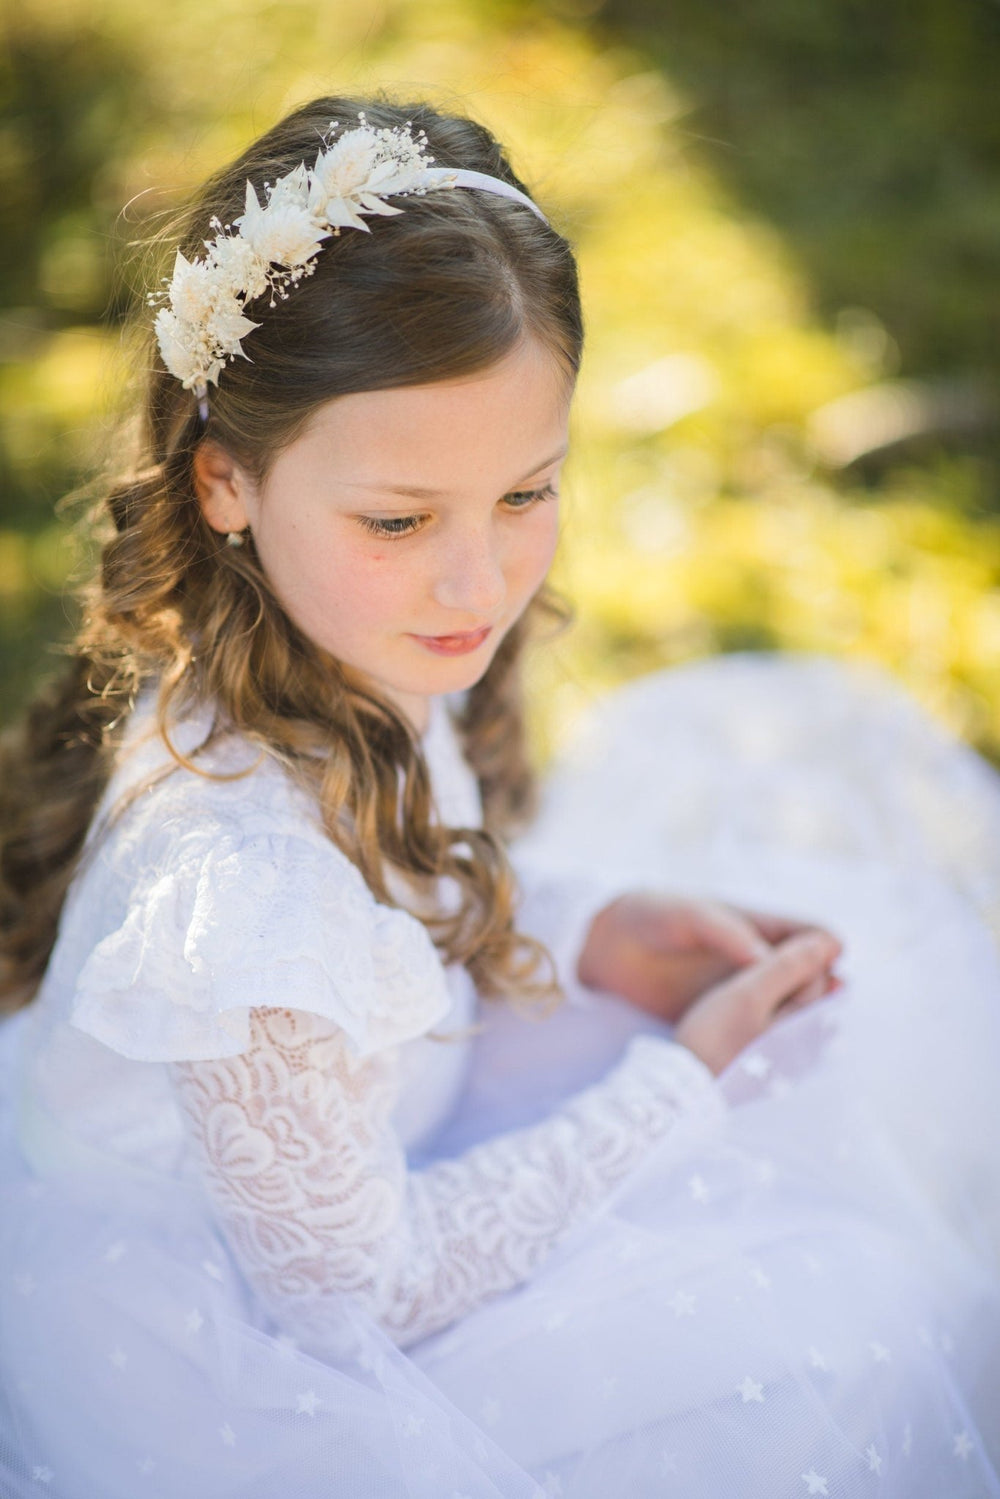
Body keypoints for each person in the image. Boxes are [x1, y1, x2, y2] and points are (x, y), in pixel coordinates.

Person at [1, 95, 999, 1499]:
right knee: (844, 1333)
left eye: (528, 492)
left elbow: (411, 877)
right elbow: (365, 1295)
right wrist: (680, 1084)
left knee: (866, 1045)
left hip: (384, 1102)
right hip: (256, 1355)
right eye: (401, 519)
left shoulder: (346, 630)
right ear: (225, 481)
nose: (479, 583)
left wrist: (582, 928)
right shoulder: (239, 891)